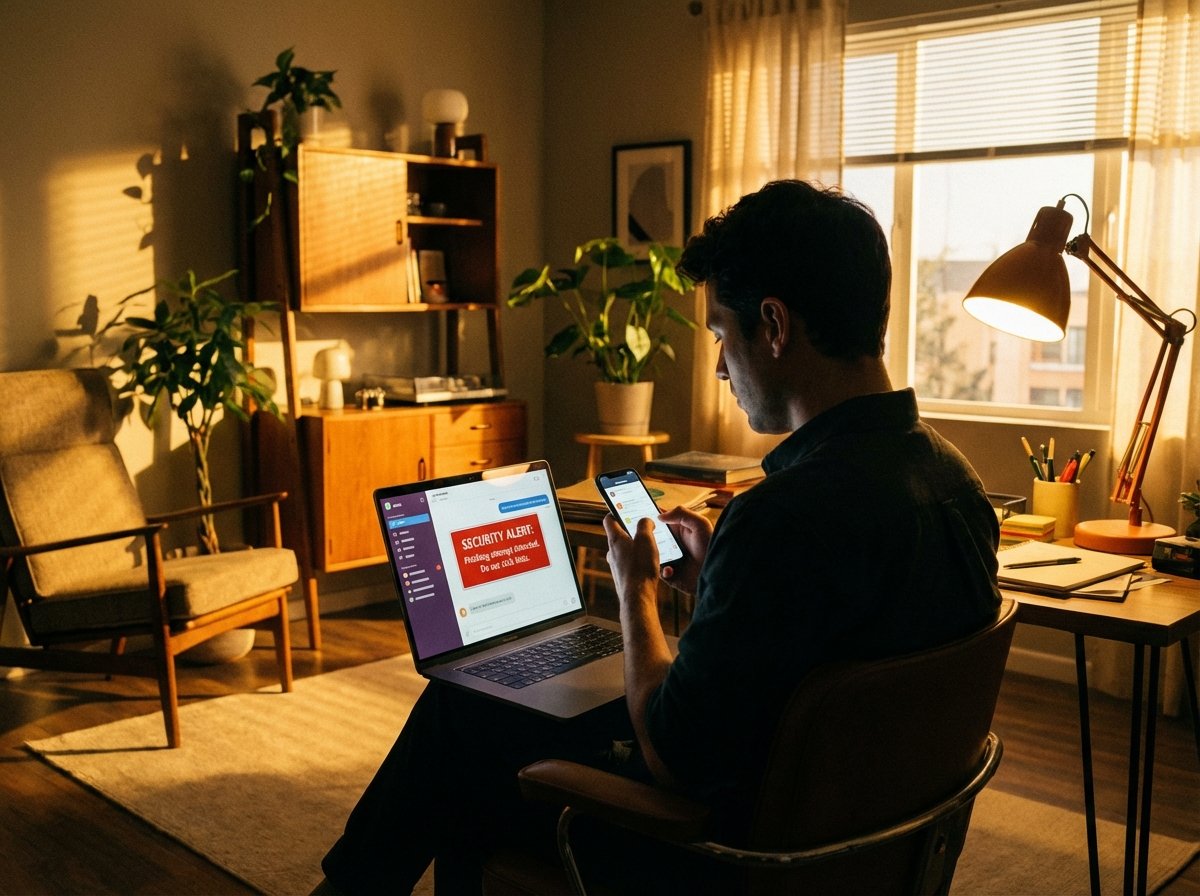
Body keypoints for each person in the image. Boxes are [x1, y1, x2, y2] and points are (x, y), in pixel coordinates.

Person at [317, 180, 1000, 895]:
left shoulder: (785, 516)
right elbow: (830, 641)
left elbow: (675, 756)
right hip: (861, 849)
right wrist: (718, 582)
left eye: (721, 336)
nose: (719, 366)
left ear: (774, 325)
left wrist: (635, 590)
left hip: (722, 859)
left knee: (460, 723)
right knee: (491, 707)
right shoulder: (957, 486)